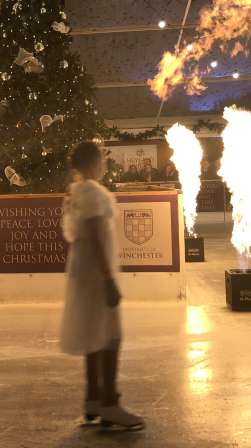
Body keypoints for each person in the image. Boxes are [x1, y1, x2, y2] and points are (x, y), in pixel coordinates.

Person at [60, 141, 143, 429]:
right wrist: (108, 278)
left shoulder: (74, 192)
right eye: (102, 161)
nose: (104, 166)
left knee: (93, 331)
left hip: (83, 269)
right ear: (95, 163)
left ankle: (92, 397)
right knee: (110, 334)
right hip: (97, 272)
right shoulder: (93, 192)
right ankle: (109, 403)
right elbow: (96, 234)